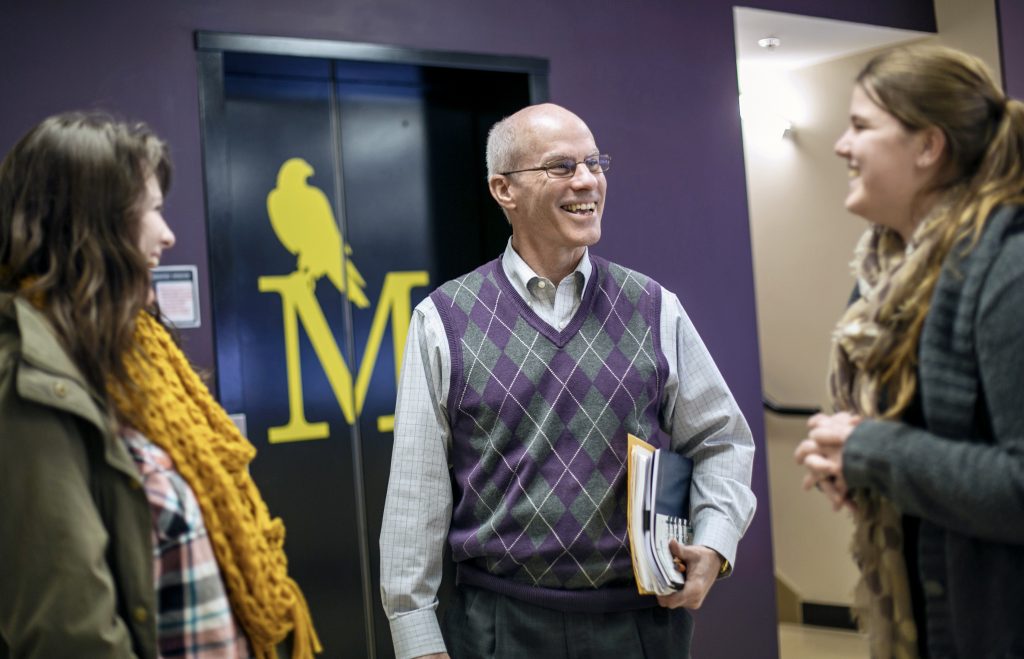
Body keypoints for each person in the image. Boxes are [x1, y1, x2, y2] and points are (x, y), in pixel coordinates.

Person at [380, 103, 756, 659]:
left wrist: (715, 541)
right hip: (498, 628)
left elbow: (721, 439)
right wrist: (416, 637)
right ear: (504, 190)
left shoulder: (654, 307)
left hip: (641, 626)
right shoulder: (443, 320)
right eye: (561, 166)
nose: (587, 181)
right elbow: (416, 492)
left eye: (594, 163)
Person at [0, 113, 321, 659]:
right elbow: (68, 631)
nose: (167, 234)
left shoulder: (136, 356)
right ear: (93, 223)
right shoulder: (30, 378)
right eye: (150, 209)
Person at [795, 45, 1024, 658]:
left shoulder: (1009, 268)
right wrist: (850, 460)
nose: (841, 145)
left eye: (861, 126)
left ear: (928, 146)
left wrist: (871, 452)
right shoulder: (883, 276)